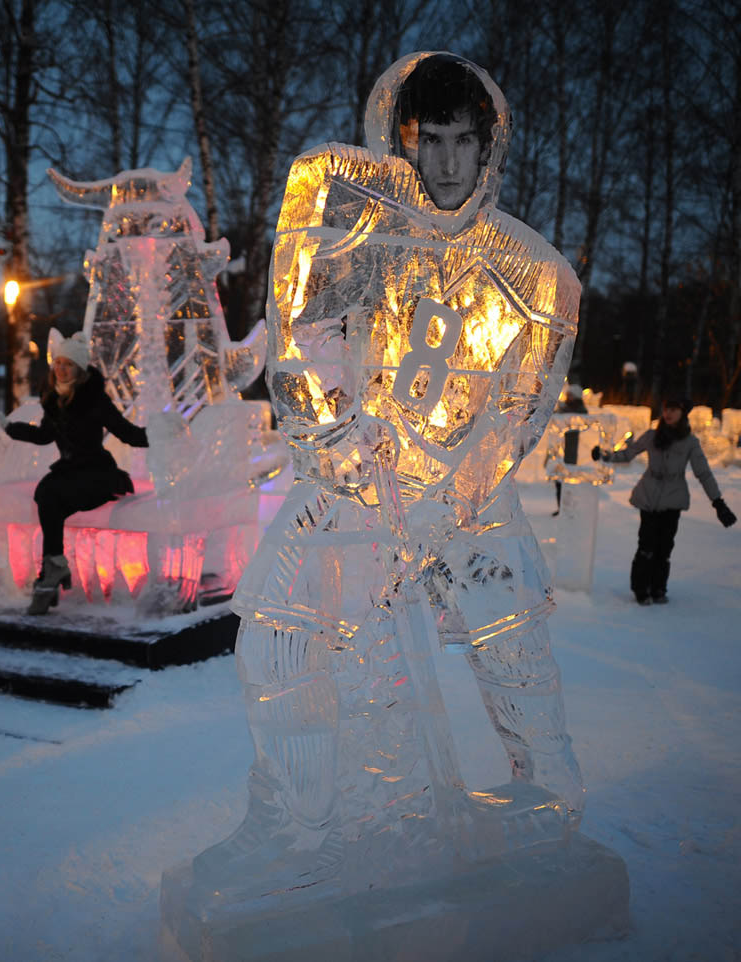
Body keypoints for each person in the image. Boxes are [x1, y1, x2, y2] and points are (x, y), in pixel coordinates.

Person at [192, 52, 584, 901]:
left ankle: (549, 792)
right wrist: (333, 441)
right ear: (403, 143)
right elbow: (296, 334)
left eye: (461, 142)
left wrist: (444, 507)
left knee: (513, 658)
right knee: (275, 635)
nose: (444, 163)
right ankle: (300, 819)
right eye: (428, 141)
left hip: (465, 504)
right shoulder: (359, 222)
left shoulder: (537, 277)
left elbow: (518, 414)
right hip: (359, 483)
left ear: (490, 149)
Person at [5, 332, 148, 615]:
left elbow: (128, 434)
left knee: (52, 494)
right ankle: (54, 567)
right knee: (46, 494)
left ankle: (51, 574)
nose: (61, 368)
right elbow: (45, 436)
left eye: (68, 364)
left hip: (97, 474)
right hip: (70, 472)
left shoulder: (94, 399)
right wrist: (8, 429)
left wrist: (164, 434)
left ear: (80, 369)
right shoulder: (54, 399)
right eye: (58, 362)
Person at [592, 397, 736, 605]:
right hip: (649, 496)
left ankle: (658, 588)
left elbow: (703, 473)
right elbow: (628, 454)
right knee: (646, 545)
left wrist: (718, 503)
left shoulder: (690, 442)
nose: (668, 413)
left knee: (664, 547)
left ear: (683, 413)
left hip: (673, 499)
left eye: (673, 409)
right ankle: (641, 589)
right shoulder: (652, 436)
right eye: (666, 408)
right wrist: (604, 455)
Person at [552, 383, 588, 515]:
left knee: (567, 480)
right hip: (560, 448)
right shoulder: (565, 408)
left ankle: (568, 507)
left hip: (571, 451)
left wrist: (564, 409)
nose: (568, 398)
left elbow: (579, 417)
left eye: (570, 396)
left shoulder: (580, 409)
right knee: (558, 481)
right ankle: (561, 508)